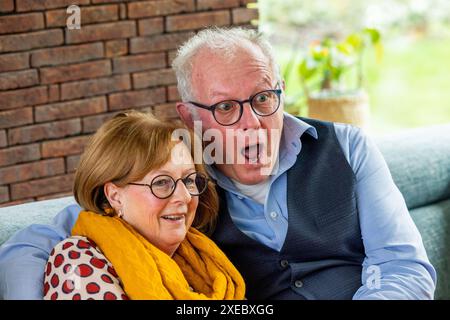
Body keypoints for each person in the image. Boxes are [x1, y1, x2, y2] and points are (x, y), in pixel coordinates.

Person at [0, 27, 436, 300]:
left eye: (264, 98)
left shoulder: (348, 146)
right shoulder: (176, 180)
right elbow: (35, 240)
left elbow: (404, 264)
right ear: (190, 114)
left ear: (281, 90)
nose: (254, 123)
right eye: (226, 107)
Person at [42, 111, 245, 300]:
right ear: (115, 196)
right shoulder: (76, 258)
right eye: (161, 182)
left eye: (189, 180)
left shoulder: (203, 259)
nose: (184, 196)